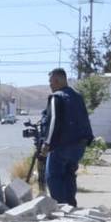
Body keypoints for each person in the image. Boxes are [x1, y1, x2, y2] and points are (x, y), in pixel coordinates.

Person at [38, 68, 94, 206]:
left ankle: (61, 207)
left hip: (61, 146)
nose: (50, 85)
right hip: (79, 146)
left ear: (58, 80)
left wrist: (47, 143)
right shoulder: (78, 96)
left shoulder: (57, 97)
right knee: (69, 175)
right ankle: (70, 206)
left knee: (53, 176)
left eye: (51, 82)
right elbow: (85, 119)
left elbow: (54, 120)